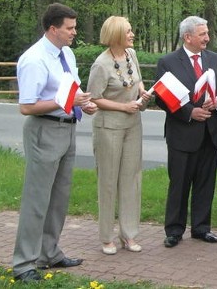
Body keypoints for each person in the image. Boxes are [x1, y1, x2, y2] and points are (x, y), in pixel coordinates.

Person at [12, 3, 97, 283]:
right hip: (44, 130)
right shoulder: (34, 59)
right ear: (53, 29)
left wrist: (84, 102)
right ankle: (24, 263)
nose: (74, 32)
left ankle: (49, 253)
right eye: (69, 28)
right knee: (37, 200)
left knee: (59, 198)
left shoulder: (67, 54)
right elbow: (27, 106)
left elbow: (72, 89)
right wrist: (67, 102)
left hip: (67, 129)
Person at [155, 16, 217, 248]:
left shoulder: (215, 60)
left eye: (207, 33)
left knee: (205, 184)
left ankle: (201, 228)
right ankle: (174, 230)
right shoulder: (168, 62)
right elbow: (162, 97)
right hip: (182, 134)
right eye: (202, 34)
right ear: (187, 37)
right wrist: (189, 112)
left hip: (210, 133)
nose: (207, 38)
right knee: (179, 184)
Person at [87, 16, 151, 255]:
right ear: (115, 35)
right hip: (109, 127)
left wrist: (143, 92)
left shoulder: (131, 55)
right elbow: (94, 97)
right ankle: (106, 237)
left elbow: (137, 80)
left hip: (133, 125)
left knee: (131, 179)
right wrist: (123, 107)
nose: (132, 34)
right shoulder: (101, 64)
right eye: (128, 31)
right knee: (108, 181)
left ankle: (129, 234)